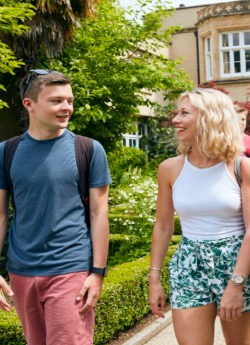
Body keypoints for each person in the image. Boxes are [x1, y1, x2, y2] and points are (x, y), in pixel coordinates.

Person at [0, 69, 112, 345]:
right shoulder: (6, 152)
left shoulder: (88, 149)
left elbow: (99, 214)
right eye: (56, 101)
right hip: (21, 271)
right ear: (30, 105)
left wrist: (97, 273)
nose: (66, 108)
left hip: (70, 268)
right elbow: (0, 215)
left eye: (69, 100)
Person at [148, 88, 250, 345]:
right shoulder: (169, 169)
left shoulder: (240, 167)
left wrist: (236, 285)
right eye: (177, 112)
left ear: (209, 118)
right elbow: (162, 226)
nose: (175, 120)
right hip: (189, 265)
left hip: (237, 266)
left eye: (184, 113)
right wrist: (154, 279)